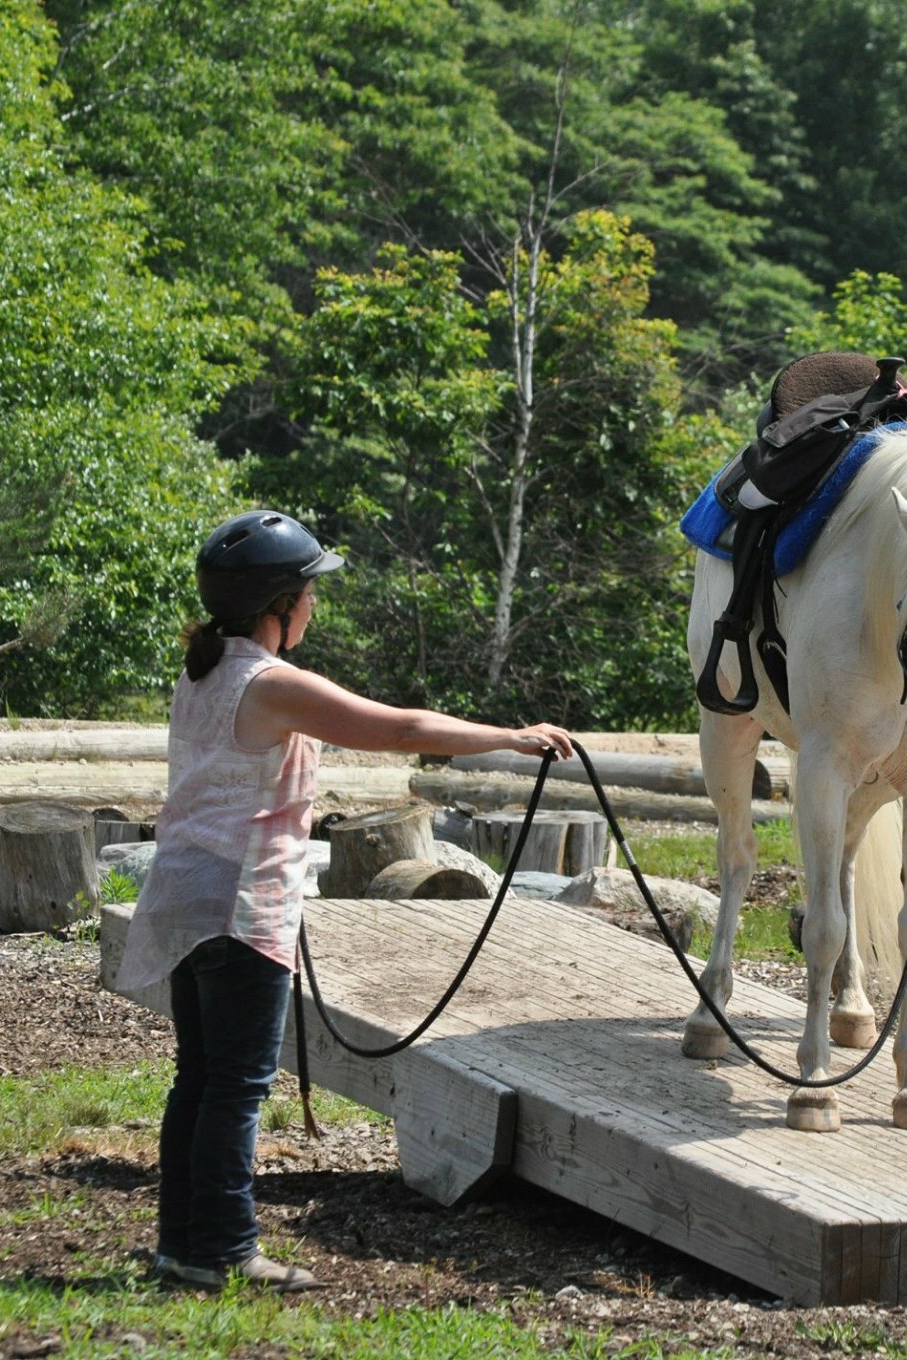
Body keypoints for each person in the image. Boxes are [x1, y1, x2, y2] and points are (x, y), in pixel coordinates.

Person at [115, 510, 573, 1293]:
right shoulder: (271, 683)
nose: (314, 605)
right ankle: (222, 1250)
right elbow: (399, 729)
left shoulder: (204, 671)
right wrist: (512, 735)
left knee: (200, 1078)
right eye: (308, 593)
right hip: (238, 905)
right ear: (279, 604)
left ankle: (181, 1245)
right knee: (236, 1086)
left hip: (185, 894)